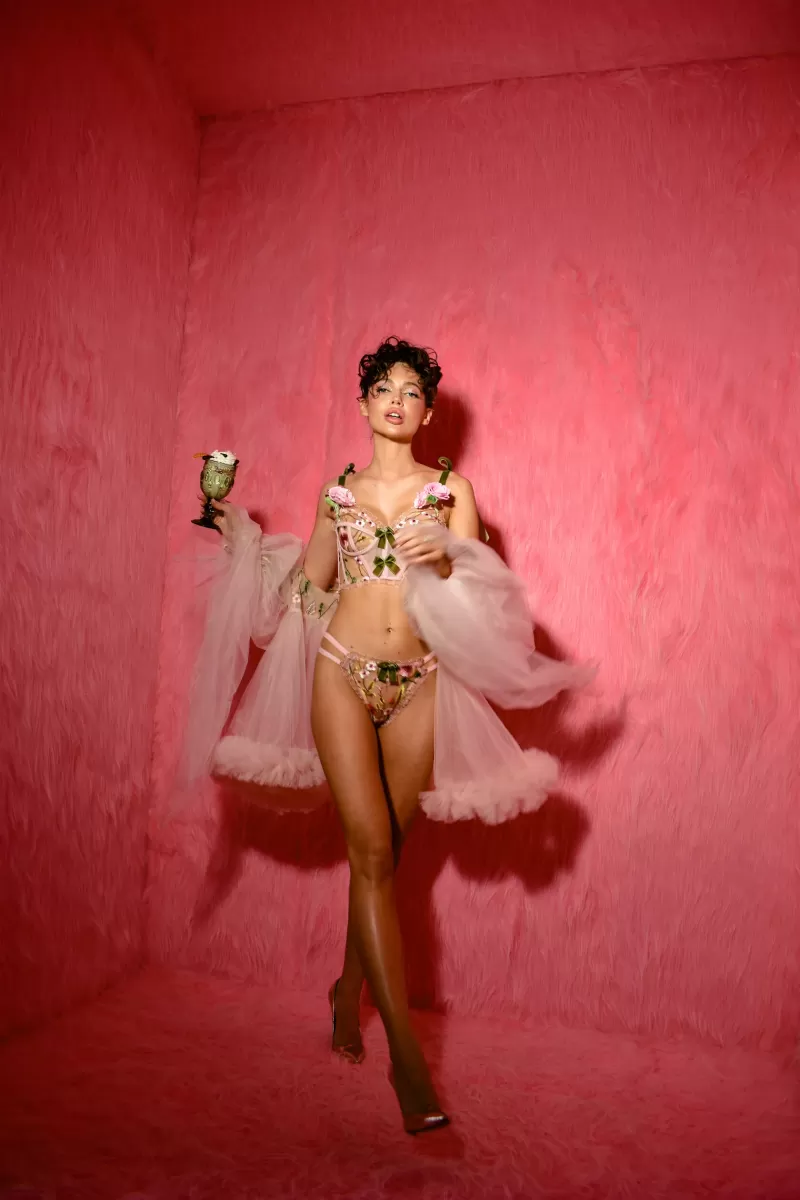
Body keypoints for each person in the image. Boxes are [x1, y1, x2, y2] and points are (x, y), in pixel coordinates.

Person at [184, 337, 595, 1136]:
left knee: (384, 857)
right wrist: (238, 539)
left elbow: (488, 604)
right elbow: (306, 592)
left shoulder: (451, 490)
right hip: (340, 671)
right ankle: (407, 1057)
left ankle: (347, 991)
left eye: (412, 391)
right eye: (384, 388)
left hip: (421, 684)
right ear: (364, 403)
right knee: (370, 852)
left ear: (428, 411)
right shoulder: (337, 492)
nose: (397, 401)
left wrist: (451, 553)